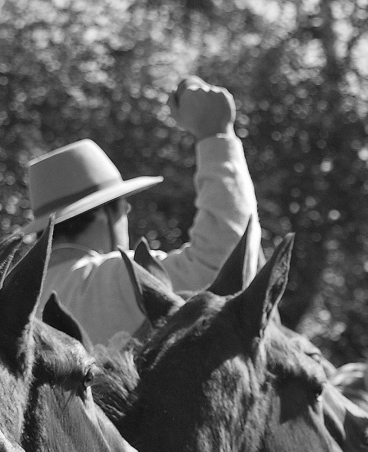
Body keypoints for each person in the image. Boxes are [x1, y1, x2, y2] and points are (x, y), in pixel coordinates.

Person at [22, 77, 261, 346]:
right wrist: (216, 136)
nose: (128, 212)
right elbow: (223, 264)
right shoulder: (113, 280)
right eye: (123, 207)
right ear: (103, 215)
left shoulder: (12, 298)